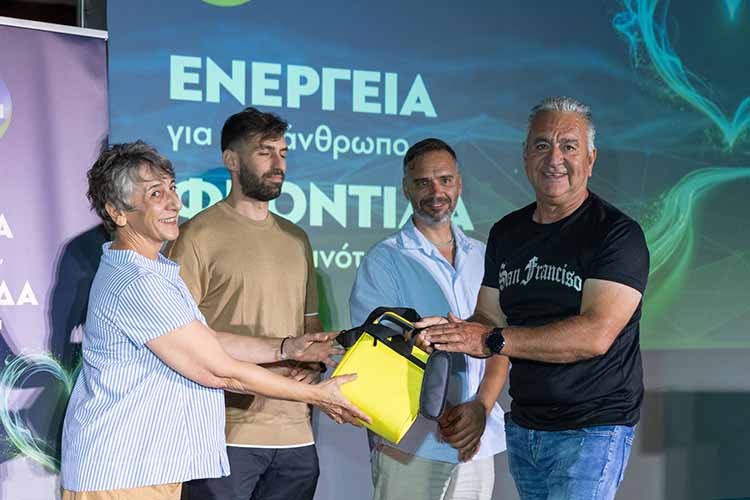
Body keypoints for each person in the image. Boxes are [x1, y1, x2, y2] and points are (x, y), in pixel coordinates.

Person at [60, 141, 368, 500]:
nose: (174, 203)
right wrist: (317, 394)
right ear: (118, 212)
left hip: (146, 468)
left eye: (172, 188)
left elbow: (206, 341)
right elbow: (219, 371)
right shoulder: (137, 282)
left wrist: (287, 347)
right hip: (122, 471)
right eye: (156, 193)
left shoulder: (155, 269)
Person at [420, 97, 650, 500]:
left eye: (569, 146)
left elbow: (595, 335)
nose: (554, 158)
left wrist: (491, 339)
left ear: (591, 159)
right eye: (542, 145)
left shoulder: (616, 234)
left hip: (592, 429)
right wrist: (450, 333)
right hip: (527, 428)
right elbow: (488, 316)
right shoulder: (508, 232)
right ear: (526, 156)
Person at [164, 107, 333, 500]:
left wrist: (313, 364)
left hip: (296, 433)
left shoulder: (297, 239)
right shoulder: (196, 236)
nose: (278, 164)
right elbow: (179, 339)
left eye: (283, 153)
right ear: (232, 160)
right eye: (265, 152)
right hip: (224, 434)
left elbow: (309, 323)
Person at [350, 138, 508, 500]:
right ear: (406, 188)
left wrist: (480, 408)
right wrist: (449, 417)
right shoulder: (384, 260)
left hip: (476, 440)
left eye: (445, 180)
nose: (436, 192)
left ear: (459, 184)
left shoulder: (484, 256)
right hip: (412, 443)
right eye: (423, 182)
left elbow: (501, 341)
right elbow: (375, 354)